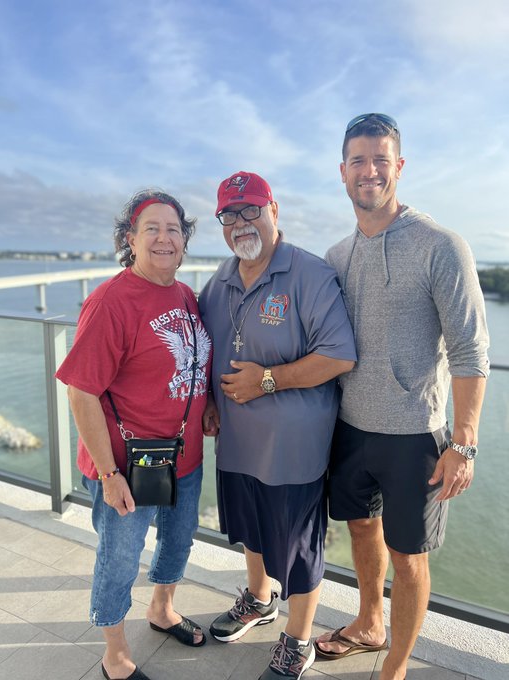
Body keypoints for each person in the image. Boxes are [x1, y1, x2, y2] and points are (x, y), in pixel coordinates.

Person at [314, 114, 490, 680]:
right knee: (362, 529)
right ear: (342, 172)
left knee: (410, 557)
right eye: (358, 161)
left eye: (380, 160)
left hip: (416, 432)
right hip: (349, 427)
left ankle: (395, 665)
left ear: (399, 167)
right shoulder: (336, 256)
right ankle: (369, 622)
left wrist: (464, 442)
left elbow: (471, 350)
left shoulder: (441, 245)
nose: (369, 171)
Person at [198, 171, 357, 680]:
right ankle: (260, 600)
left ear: (274, 210)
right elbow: (206, 350)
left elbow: (339, 355)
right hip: (237, 443)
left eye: (251, 210)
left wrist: (266, 380)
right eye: (230, 214)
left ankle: (299, 639)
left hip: (294, 449)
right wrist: (209, 401)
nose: (241, 223)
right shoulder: (219, 279)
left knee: (299, 547)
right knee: (251, 532)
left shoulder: (309, 274)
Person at [55, 190, 212, 680]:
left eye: (173, 229)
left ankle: (162, 609)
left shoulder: (185, 295)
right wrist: (107, 473)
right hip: (125, 466)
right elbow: (81, 393)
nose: (164, 238)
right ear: (131, 238)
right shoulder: (111, 301)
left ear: (185, 240)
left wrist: (204, 409)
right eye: (152, 228)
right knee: (119, 559)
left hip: (181, 457)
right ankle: (115, 653)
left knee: (177, 543)